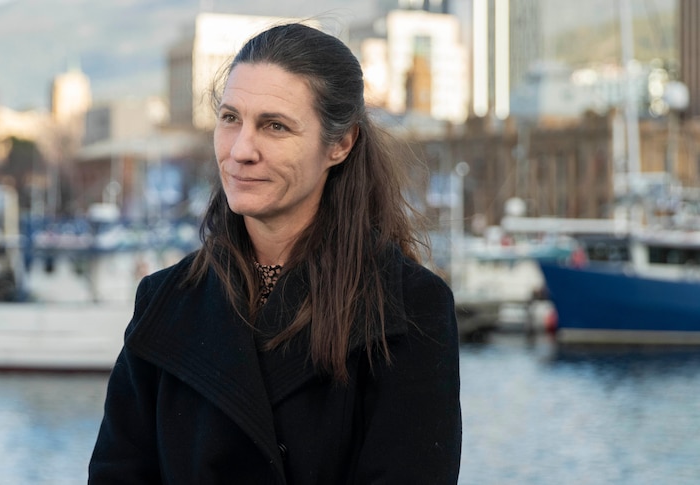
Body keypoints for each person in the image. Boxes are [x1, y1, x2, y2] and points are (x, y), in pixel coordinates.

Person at [89, 22, 462, 484]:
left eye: (275, 126)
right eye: (230, 118)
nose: (241, 150)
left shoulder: (407, 307)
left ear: (340, 144)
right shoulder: (164, 301)